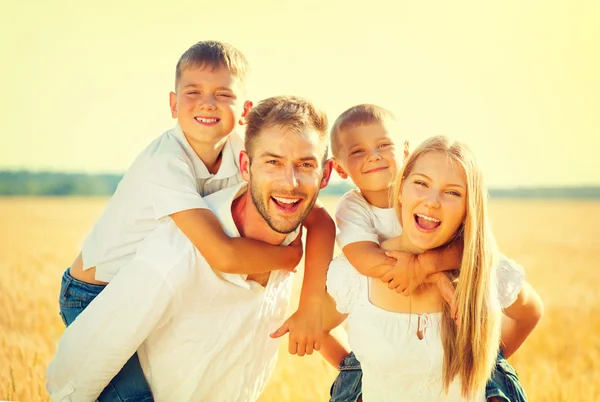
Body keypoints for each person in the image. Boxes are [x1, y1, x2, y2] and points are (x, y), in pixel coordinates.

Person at [55, 42, 334, 400]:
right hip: (94, 291)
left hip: (151, 286)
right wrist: (289, 258)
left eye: (222, 94)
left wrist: (310, 303)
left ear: (244, 110)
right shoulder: (164, 164)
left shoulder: (248, 152)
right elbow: (224, 255)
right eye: (193, 93)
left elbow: (321, 221)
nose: (207, 103)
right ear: (173, 104)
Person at [321, 105, 543, 401]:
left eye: (453, 193)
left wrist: (488, 360)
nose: (432, 201)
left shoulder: (482, 268)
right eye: (421, 184)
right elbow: (317, 326)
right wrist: (356, 377)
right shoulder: (355, 264)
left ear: (468, 208)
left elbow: (530, 312)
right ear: (401, 189)